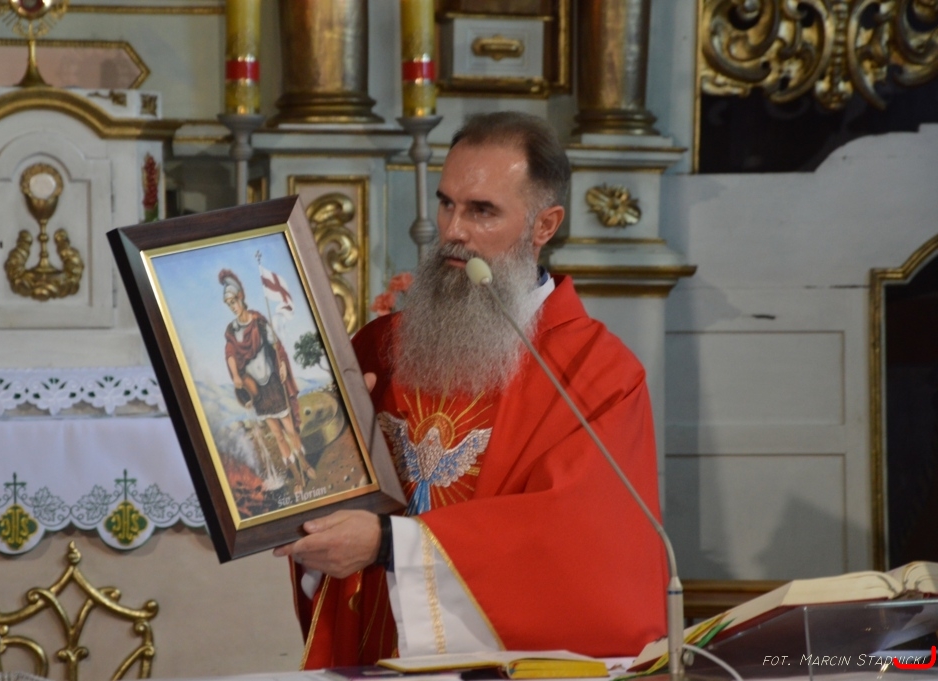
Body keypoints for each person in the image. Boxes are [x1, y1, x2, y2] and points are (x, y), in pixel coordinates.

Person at [272, 112, 667, 666]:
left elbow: (575, 549)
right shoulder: (380, 347)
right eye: (446, 204)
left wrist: (389, 544)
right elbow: (321, 485)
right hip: (373, 649)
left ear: (544, 225)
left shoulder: (597, 376)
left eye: (482, 211)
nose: (453, 230)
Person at [221, 269, 314, 492]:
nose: (232, 306)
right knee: (278, 436)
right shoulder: (232, 331)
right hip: (258, 391)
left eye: (234, 301)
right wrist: (235, 375)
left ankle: (305, 464)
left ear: (241, 297)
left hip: (272, 384)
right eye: (229, 304)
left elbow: (276, 345)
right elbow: (230, 353)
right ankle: (297, 477)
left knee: (290, 430)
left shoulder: (259, 322)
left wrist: (281, 364)